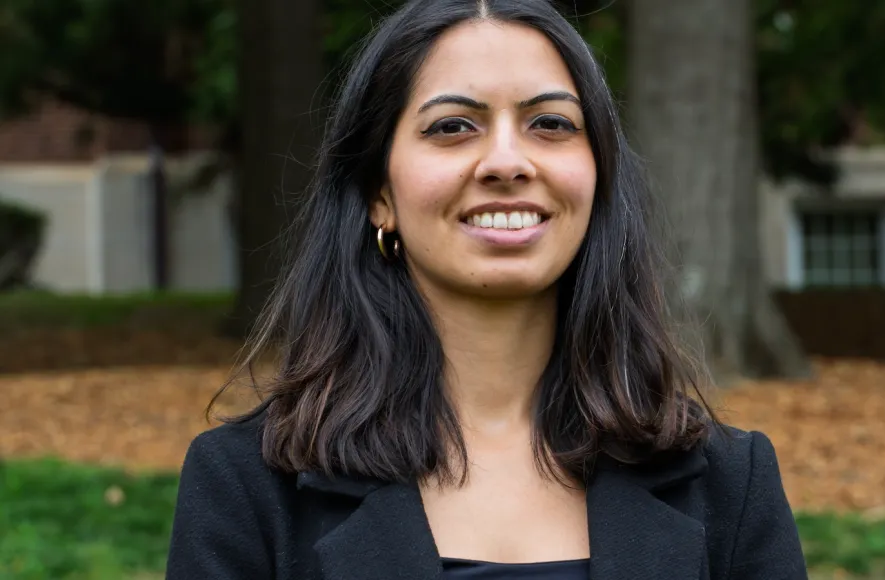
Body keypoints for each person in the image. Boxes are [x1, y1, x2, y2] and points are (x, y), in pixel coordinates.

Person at [165, 0, 808, 578]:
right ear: (378, 195)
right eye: (452, 127)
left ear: (599, 178)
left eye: (551, 124)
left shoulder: (731, 484)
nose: (507, 161)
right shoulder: (247, 485)